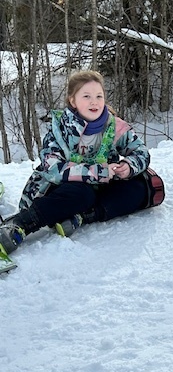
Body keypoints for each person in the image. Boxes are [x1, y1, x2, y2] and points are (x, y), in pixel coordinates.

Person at [0, 70, 164, 255]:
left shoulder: (114, 126)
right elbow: (53, 169)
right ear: (73, 101)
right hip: (60, 190)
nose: (94, 102)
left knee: (142, 185)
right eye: (86, 96)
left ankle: (81, 217)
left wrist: (129, 166)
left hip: (101, 188)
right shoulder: (60, 128)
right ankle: (20, 224)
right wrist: (98, 172)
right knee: (81, 193)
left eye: (98, 96)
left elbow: (140, 152)